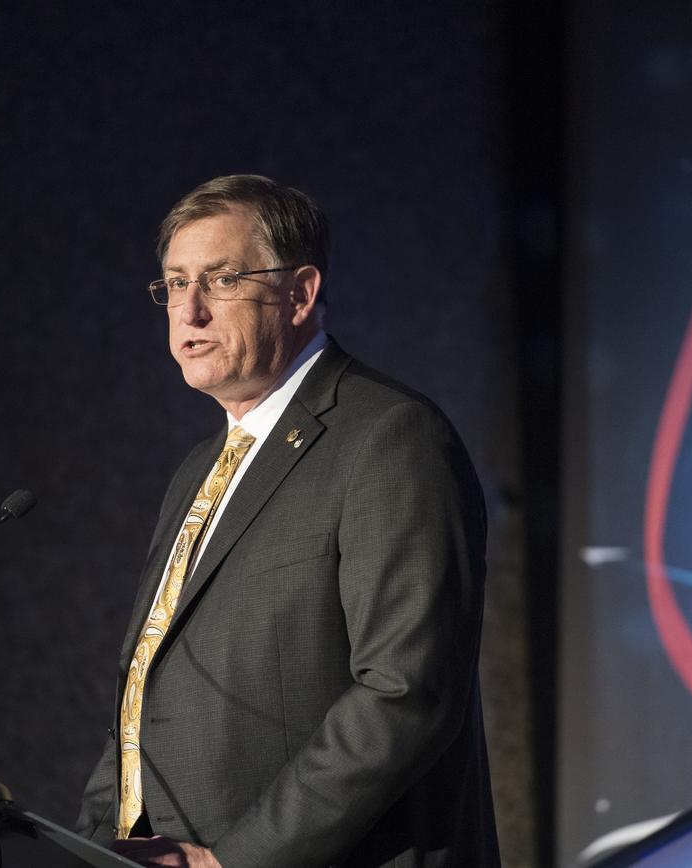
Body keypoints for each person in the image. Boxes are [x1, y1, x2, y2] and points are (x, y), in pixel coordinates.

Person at [75, 175, 499, 867]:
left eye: (221, 279)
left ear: (299, 293)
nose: (191, 310)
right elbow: (146, 682)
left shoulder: (389, 437)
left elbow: (405, 690)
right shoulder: (198, 469)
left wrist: (238, 860)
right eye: (175, 283)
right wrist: (97, 846)